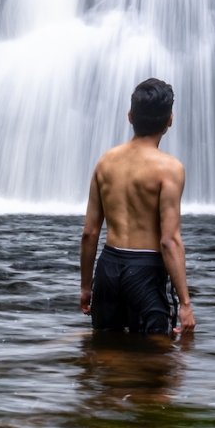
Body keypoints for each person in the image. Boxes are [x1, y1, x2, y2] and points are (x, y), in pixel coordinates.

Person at [79, 77, 194, 339]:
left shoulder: (105, 162)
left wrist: (87, 287)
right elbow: (169, 241)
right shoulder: (170, 169)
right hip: (146, 271)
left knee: (105, 352)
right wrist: (186, 304)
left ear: (130, 116)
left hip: (107, 269)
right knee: (157, 360)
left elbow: (89, 232)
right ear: (169, 121)